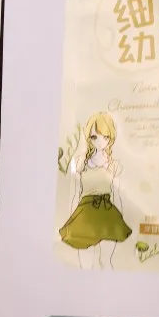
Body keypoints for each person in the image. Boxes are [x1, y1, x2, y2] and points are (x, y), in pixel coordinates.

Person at [59, 112, 131, 269]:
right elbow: (75, 194)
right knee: (84, 262)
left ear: (111, 138)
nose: (100, 142)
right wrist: (72, 218)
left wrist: (120, 218)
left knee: (106, 261)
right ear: (89, 138)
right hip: (85, 212)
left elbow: (117, 194)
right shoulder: (80, 163)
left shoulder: (113, 165)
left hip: (107, 212)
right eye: (94, 137)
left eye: (105, 137)